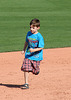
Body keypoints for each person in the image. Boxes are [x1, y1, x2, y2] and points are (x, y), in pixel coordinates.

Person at [21, 18, 44, 89]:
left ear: (38, 28)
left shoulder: (39, 36)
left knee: (35, 71)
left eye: (33, 28)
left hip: (36, 56)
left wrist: (34, 50)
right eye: (30, 27)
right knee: (26, 68)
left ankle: (36, 70)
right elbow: (26, 42)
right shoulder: (29, 33)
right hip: (28, 54)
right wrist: (24, 49)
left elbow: (41, 47)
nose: (31, 29)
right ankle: (26, 83)